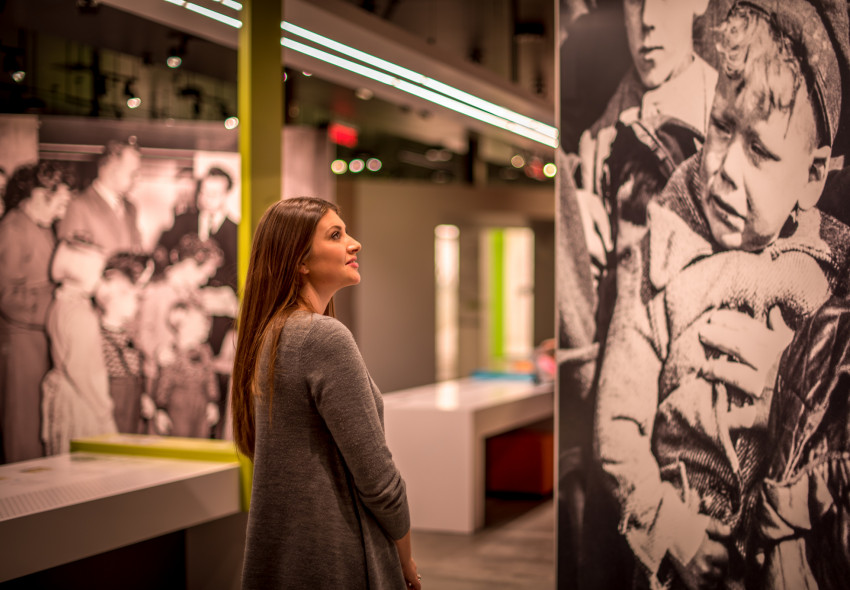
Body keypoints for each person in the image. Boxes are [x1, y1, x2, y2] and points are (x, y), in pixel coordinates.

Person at [594, 1, 850, 587]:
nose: (724, 168)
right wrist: (672, 535)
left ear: (813, 176)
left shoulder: (836, 274)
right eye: (721, 127)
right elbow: (616, 429)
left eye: (759, 149)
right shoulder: (661, 246)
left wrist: (790, 401)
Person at [231, 197, 421, 589]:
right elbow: (379, 480)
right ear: (300, 260)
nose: (355, 243)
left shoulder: (270, 334)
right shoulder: (321, 336)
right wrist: (407, 561)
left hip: (291, 556)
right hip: (338, 556)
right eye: (336, 235)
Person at [0, 161, 74, 463]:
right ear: (42, 193)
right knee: (23, 428)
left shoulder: (39, 227)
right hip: (20, 346)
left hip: (40, 340)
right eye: (61, 203)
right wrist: (57, 304)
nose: (62, 212)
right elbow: (7, 296)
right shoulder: (13, 228)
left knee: (38, 425)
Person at [41, 239, 117, 455]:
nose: (102, 278)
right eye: (99, 271)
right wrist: (103, 408)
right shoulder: (82, 315)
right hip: (82, 402)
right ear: (82, 273)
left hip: (66, 395)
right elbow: (81, 370)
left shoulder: (61, 304)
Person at [94, 252, 153, 434]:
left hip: (132, 404)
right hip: (112, 407)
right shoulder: (99, 337)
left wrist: (143, 396)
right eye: (135, 297)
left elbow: (136, 370)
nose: (138, 304)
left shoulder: (130, 334)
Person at [57, 140, 143, 257]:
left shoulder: (131, 208)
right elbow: (68, 263)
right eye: (133, 173)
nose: (138, 179)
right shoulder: (78, 206)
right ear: (113, 169)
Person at [151, 300, 220, 438]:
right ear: (182, 325)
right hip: (178, 405)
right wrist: (161, 409)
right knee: (180, 440)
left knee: (201, 440)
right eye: (201, 322)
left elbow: (210, 377)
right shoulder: (171, 353)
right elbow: (163, 384)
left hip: (201, 402)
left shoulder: (205, 351)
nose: (207, 327)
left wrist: (212, 402)